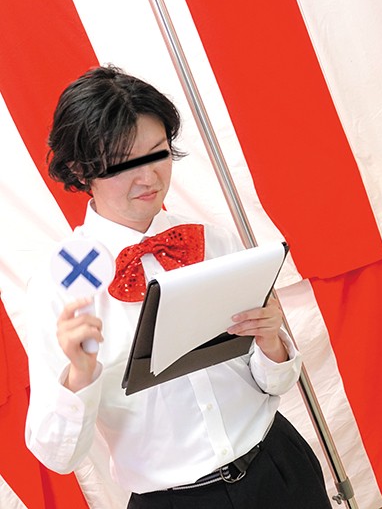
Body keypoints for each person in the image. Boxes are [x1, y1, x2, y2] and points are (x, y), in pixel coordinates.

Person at [24, 66, 330, 509]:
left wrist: (271, 344)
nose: (148, 177)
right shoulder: (59, 284)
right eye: (122, 163)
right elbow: (58, 456)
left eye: (158, 154)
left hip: (279, 467)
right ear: (79, 169)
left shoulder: (214, 241)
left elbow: (275, 382)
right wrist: (78, 377)